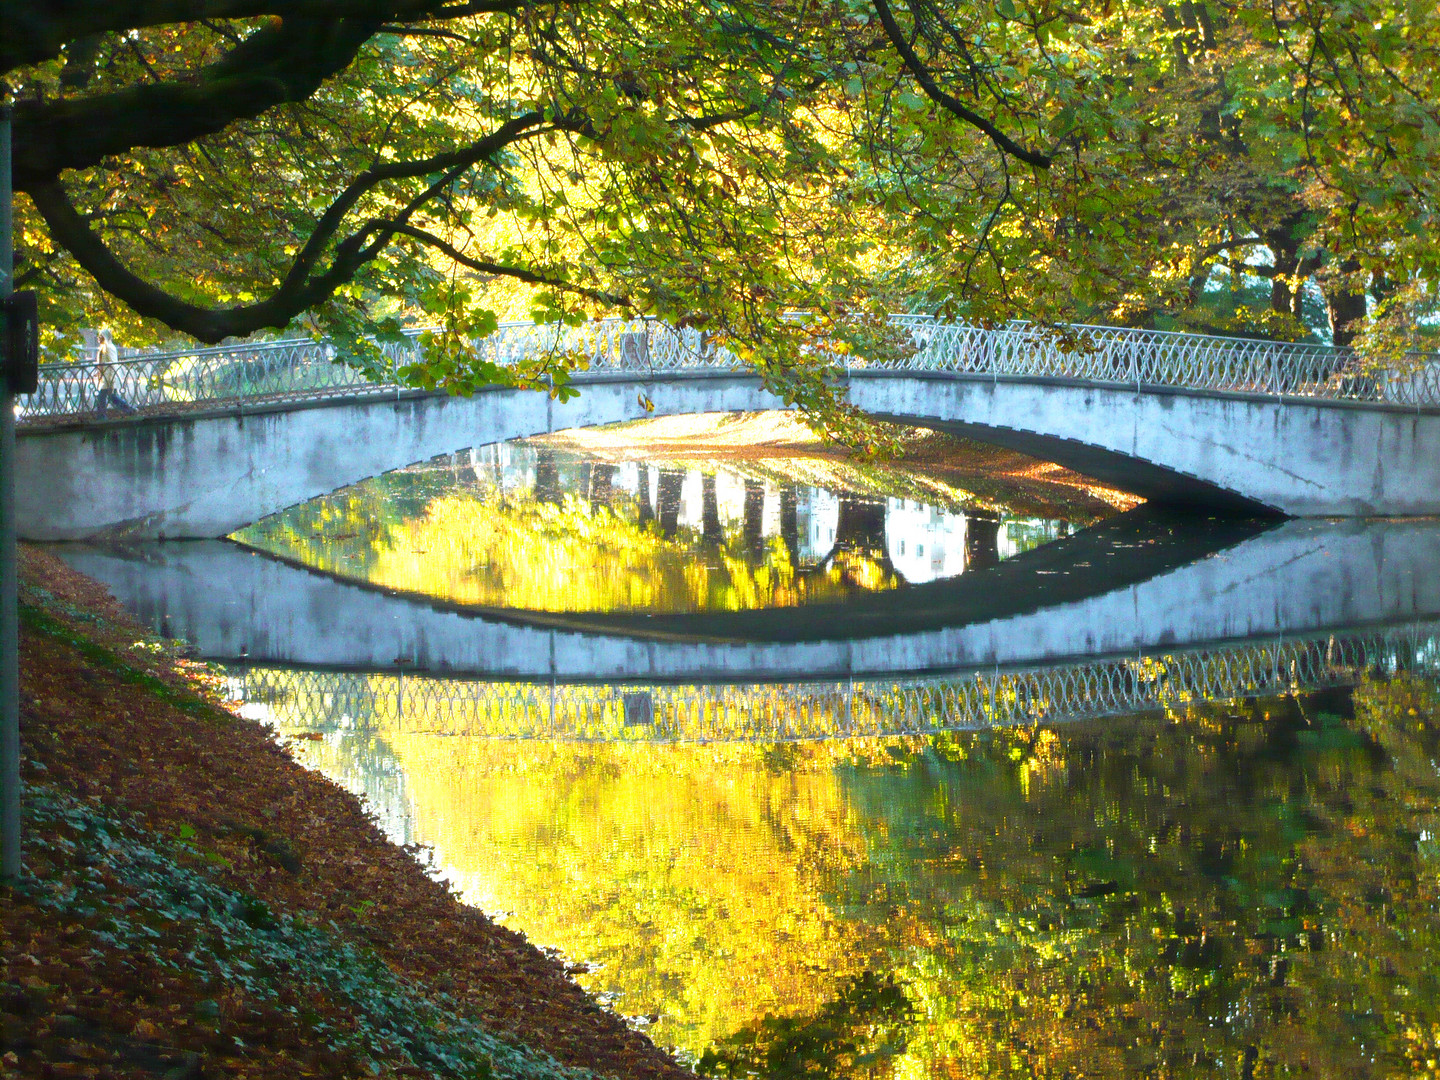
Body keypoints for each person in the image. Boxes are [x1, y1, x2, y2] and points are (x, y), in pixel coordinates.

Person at [92, 328, 137, 417]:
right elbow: (102, 362)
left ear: (104, 337)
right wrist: (98, 371)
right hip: (105, 378)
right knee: (111, 397)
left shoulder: (109, 347)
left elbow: (113, 364)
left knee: (102, 397)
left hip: (109, 378)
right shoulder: (103, 348)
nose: (98, 338)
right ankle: (129, 410)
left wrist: (112, 379)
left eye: (100, 336)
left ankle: (101, 417)